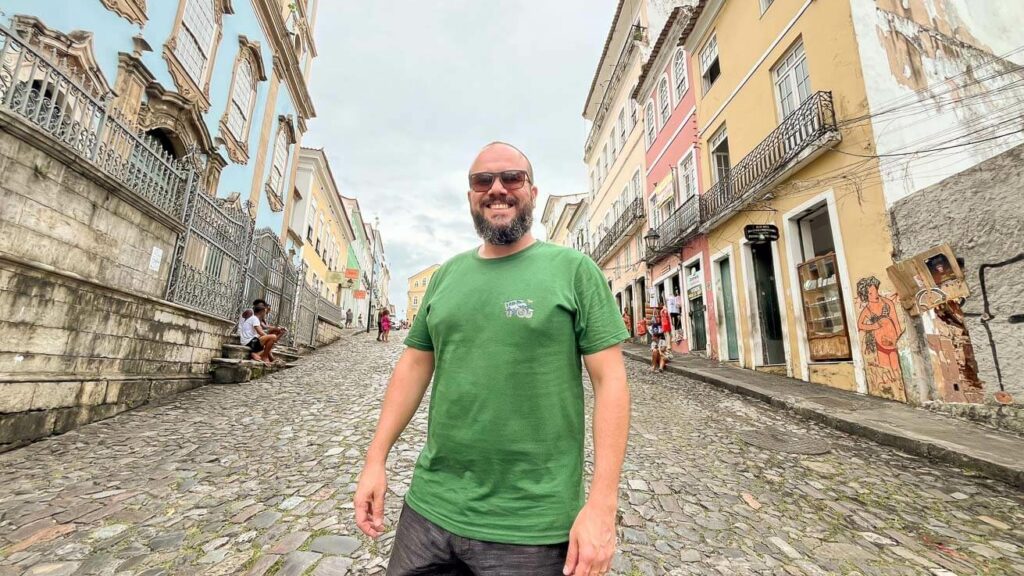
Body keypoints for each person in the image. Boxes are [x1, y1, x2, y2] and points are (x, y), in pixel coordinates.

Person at [354, 142, 630, 576]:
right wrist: (375, 460)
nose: (497, 189)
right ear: (470, 196)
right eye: (483, 181)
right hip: (429, 511)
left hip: (532, 527)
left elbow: (611, 382)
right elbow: (413, 366)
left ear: (532, 192)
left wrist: (602, 505)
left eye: (511, 178)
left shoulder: (574, 271)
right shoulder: (445, 277)